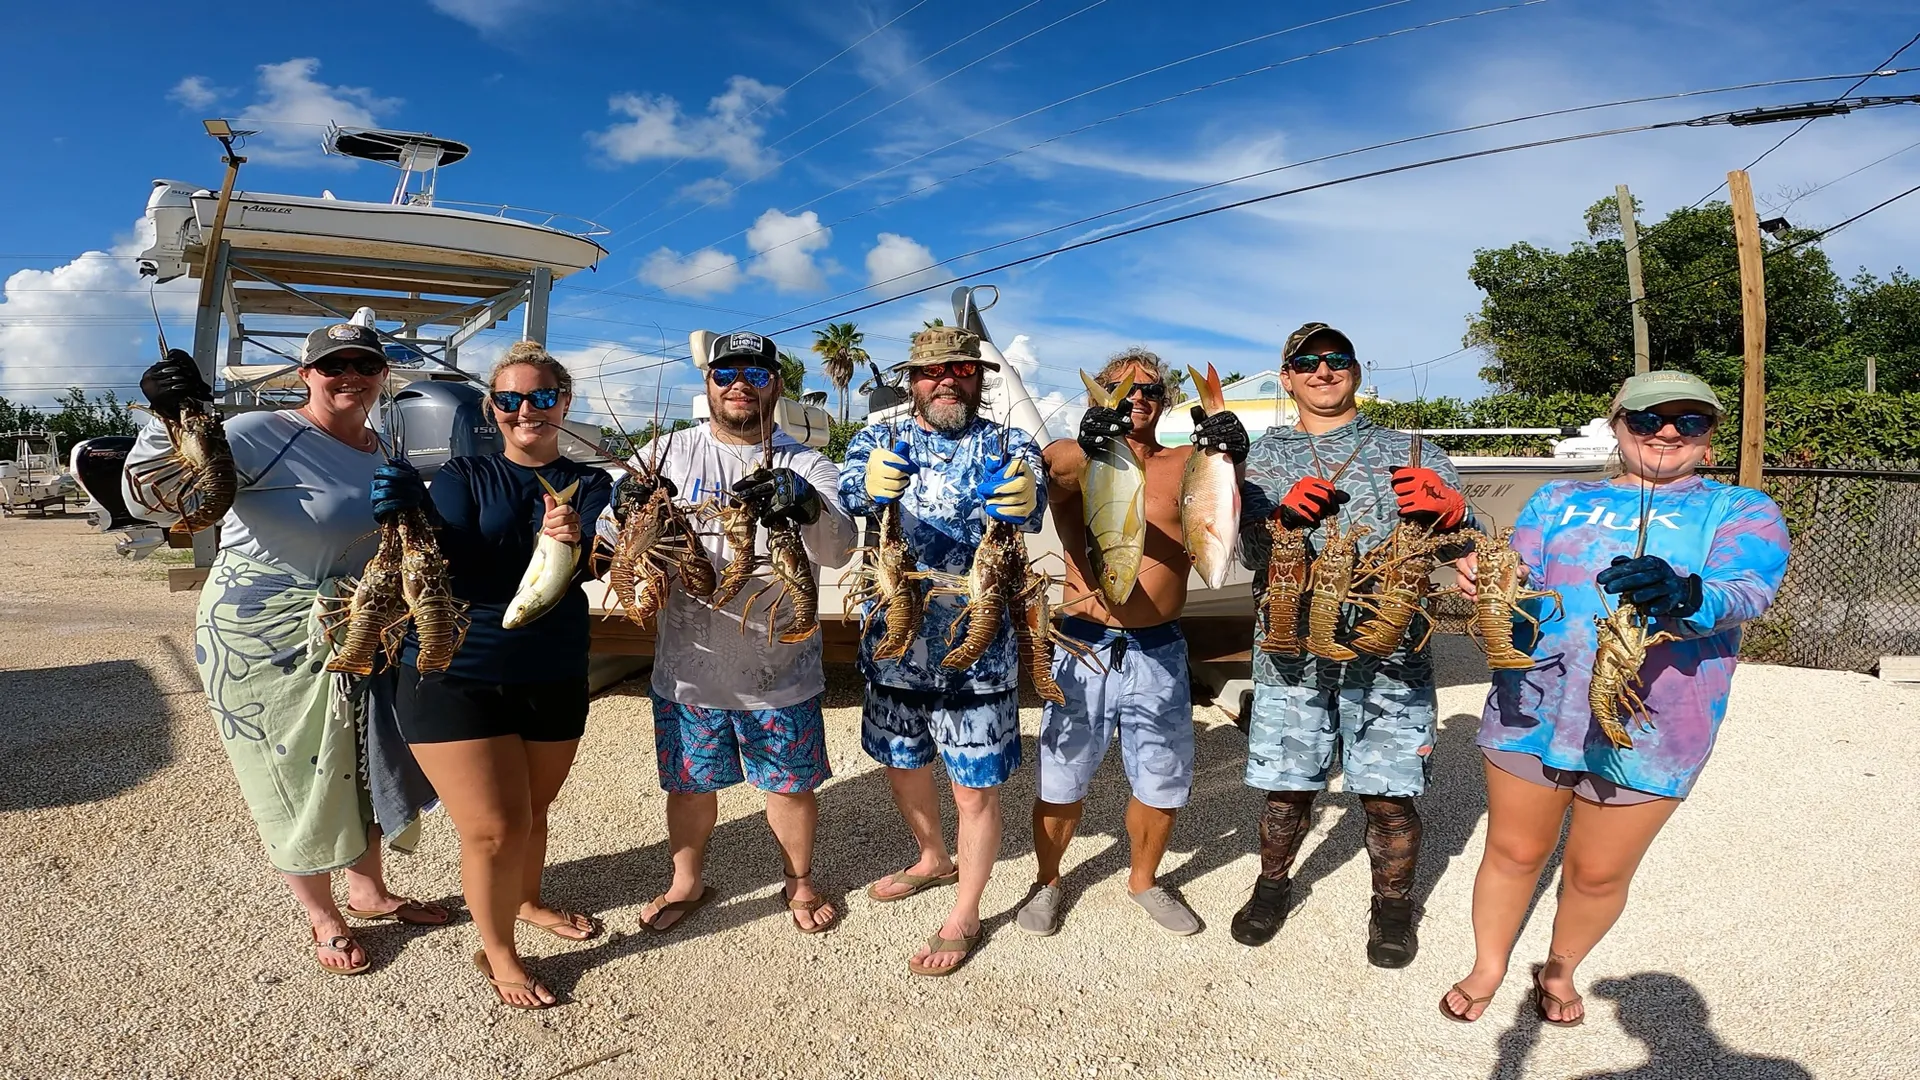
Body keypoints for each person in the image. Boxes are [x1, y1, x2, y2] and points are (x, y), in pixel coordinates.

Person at [1439, 371, 1787, 1025]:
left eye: (1689, 421)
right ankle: (1490, 963)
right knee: (1513, 851)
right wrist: (1494, 587)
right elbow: (1526, 587)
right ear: (1616, 421)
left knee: (1597, 873)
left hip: (1657, 727)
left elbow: (1746, 590)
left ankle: (1560, 967)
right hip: (1534, 704)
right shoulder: (1557, 498)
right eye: (1648, 417)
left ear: (1709, 439)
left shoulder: (1741, 510)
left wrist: (1687, 595)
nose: (1665, 432)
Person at [125, 325, 450, 978]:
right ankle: (322, 914)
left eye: (365, 363)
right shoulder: (259, 434)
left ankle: (369, 889)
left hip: (356, 624)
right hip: (258, 637)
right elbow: (148, 496)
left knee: (362, 759)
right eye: (334, 364)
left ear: (384, 374)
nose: (350, 374)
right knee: (288, 774)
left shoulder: (382, 445)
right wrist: (167, 420)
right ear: (306, 374)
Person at [1233, 322, 1474, 968]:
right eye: (1305, 362)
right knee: (1286, 791)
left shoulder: (1413, 447)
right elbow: (1244, 551)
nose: (1322, 370)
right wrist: (1278, 520)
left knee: (1389, 795)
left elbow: (1463, 541)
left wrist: (1454, 513)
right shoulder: (1263, 457)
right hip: (1291, 655)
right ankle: (1271, 886)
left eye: (1335, 359)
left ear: (1356, 371)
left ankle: (1392, 907)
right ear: (1286, 377)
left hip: (1390, 659)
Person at [381, 342, 614, 1009]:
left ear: (563, 404)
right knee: (492, 828)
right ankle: (500, 950)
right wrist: (404, 512)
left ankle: (528, 899)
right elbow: (445, 555)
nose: (525, 411)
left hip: (554, 670)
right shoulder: (463, 474)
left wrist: (575, 540)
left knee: (533, 812)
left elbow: (598, 567)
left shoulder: (590, 485)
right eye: (509, 400)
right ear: (493, 408)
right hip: (455, 668)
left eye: (541, 398)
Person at [612, 331, 856, 938]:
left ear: (776, 384)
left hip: (782, 665)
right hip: (689, 668)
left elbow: (841, 545)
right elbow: (612, 529)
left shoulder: (807, 462)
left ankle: (799, 881)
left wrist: (806, 506)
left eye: (754, 372)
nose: (739, 383)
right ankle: (685, 881)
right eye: (725, 374)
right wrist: (622, 503)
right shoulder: (668, 451)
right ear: (709, 385)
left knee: (790, 788)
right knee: (690, 786)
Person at [1013, 348, 1249, 937]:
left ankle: (1143, 880)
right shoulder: (1080, 455)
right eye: (1119, 388)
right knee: (1062, 774)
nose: (1134, 398)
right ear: (1098, 397)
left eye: (1147, 391)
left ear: (1164, 402)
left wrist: (1231, 453)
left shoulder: (1187, 465)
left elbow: (1226, 507)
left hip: (1159, 647)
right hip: (1082, 645)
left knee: (1162, 776)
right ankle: (1048, 881)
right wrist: (1092, 441)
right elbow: (1057, 469)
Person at [837, 325, 1047, 976]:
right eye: (931, 372)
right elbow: (845, 496)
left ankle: (967, 908)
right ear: (912, 381)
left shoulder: (1009, 442)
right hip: (894, 645)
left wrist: (1025, 495)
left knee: (974, 788)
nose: (946, 380)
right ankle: (931, 856)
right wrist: (866, 486)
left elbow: (1034, 500)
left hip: (978, 646)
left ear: (979, 377)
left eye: (960, 368)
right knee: (904, 762)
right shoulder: (877, 437)